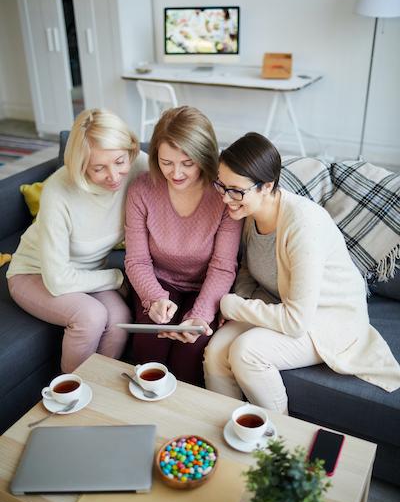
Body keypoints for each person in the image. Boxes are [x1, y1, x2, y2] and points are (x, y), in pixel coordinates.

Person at [204, 132, 400, 413]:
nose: (225, 198)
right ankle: (225, 426)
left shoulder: (302, 225)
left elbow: (296, 321)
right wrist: (242, 297)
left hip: (324, 319)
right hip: (277, 303)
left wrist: (232, 305)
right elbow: (250, 266)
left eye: (235, 190)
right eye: (221, 186)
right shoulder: (250, 213)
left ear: (267, 186)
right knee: (214, 352)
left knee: (247, 352)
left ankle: (278, 442)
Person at [7, 108, 148, 373]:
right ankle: (71, 395)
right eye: (99, 168)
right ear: (81, 165)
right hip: (36, 274)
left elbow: (181, 181)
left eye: (119, 162)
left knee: (119, 320)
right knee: (90, 316)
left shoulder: (136, 162)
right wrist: (117, 278)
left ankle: (99, 389)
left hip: (88, 273)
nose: (115, 176)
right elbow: (57, 280)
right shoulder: (59, 191)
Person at [124, 106, 242, 386]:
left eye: (187, 163)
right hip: (159, 282)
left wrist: (200, 315)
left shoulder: (222, 195)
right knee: (148, 350)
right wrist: (154, 299)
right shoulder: (142, 189)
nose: (175, 173)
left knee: (190, 354)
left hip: (206, 287)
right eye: (166, 162)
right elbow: (137, 259)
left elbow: (224, 266)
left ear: (204, 156)